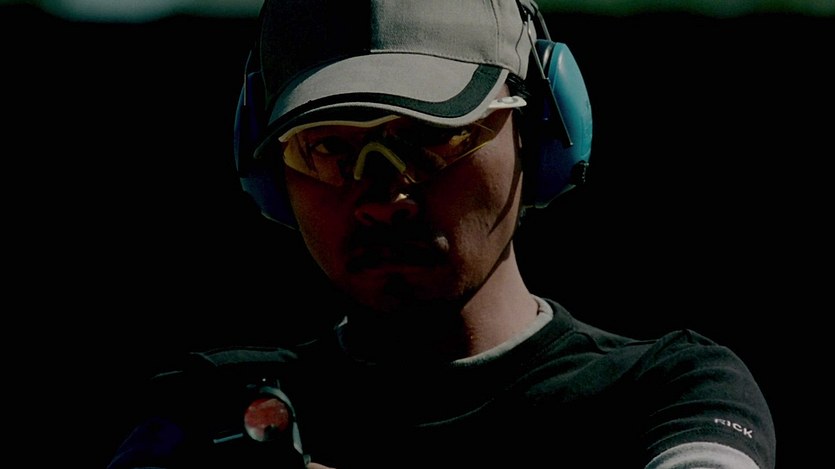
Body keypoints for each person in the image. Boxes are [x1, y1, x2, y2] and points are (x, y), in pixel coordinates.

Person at [107, 0, 776, 468]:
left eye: (432, 138)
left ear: (540, 130)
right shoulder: (205, 409)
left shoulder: (670, 394)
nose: (383, 198)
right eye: (326, 149)